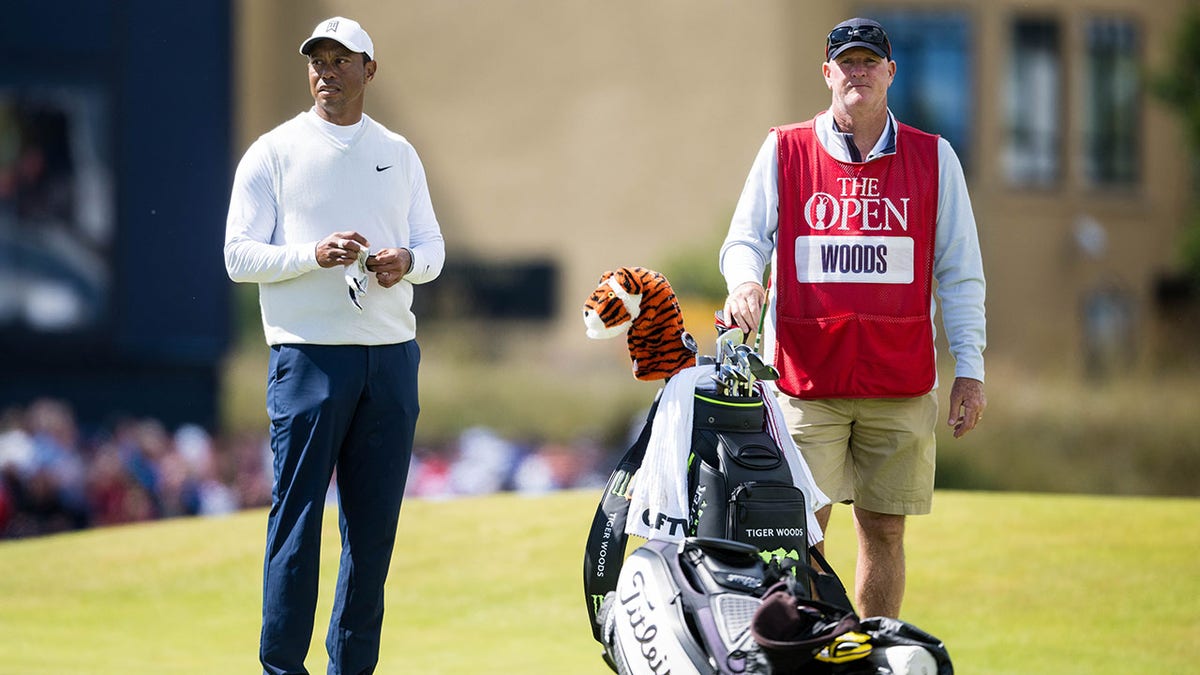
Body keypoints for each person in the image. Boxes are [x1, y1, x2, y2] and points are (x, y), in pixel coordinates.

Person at [719, 17, 986, 619]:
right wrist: (744, 285)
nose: (857, 71)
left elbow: (961, 274)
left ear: (891, 72)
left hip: (899, 384)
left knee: (885, 534)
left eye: (870, 62)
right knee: (796, 538)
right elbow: (744, 240)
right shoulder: (784, 149)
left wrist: (970, 369)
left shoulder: (935, 157)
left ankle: (875, 651)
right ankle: (803, 653)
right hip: (804, 382)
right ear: (827, 73)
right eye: (847, 62)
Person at [223, 16, 445, 674]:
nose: (326, 70)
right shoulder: (274, 151)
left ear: (368, 71)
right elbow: (237, 256)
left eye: (341, 59)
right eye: (317, 59)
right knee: (297, 525)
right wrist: (314, 254)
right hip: (308, 356)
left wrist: (406, 261)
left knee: (371, 533)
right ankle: (282, 667)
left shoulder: (398, 153)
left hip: (391, 357)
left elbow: (433, 249)